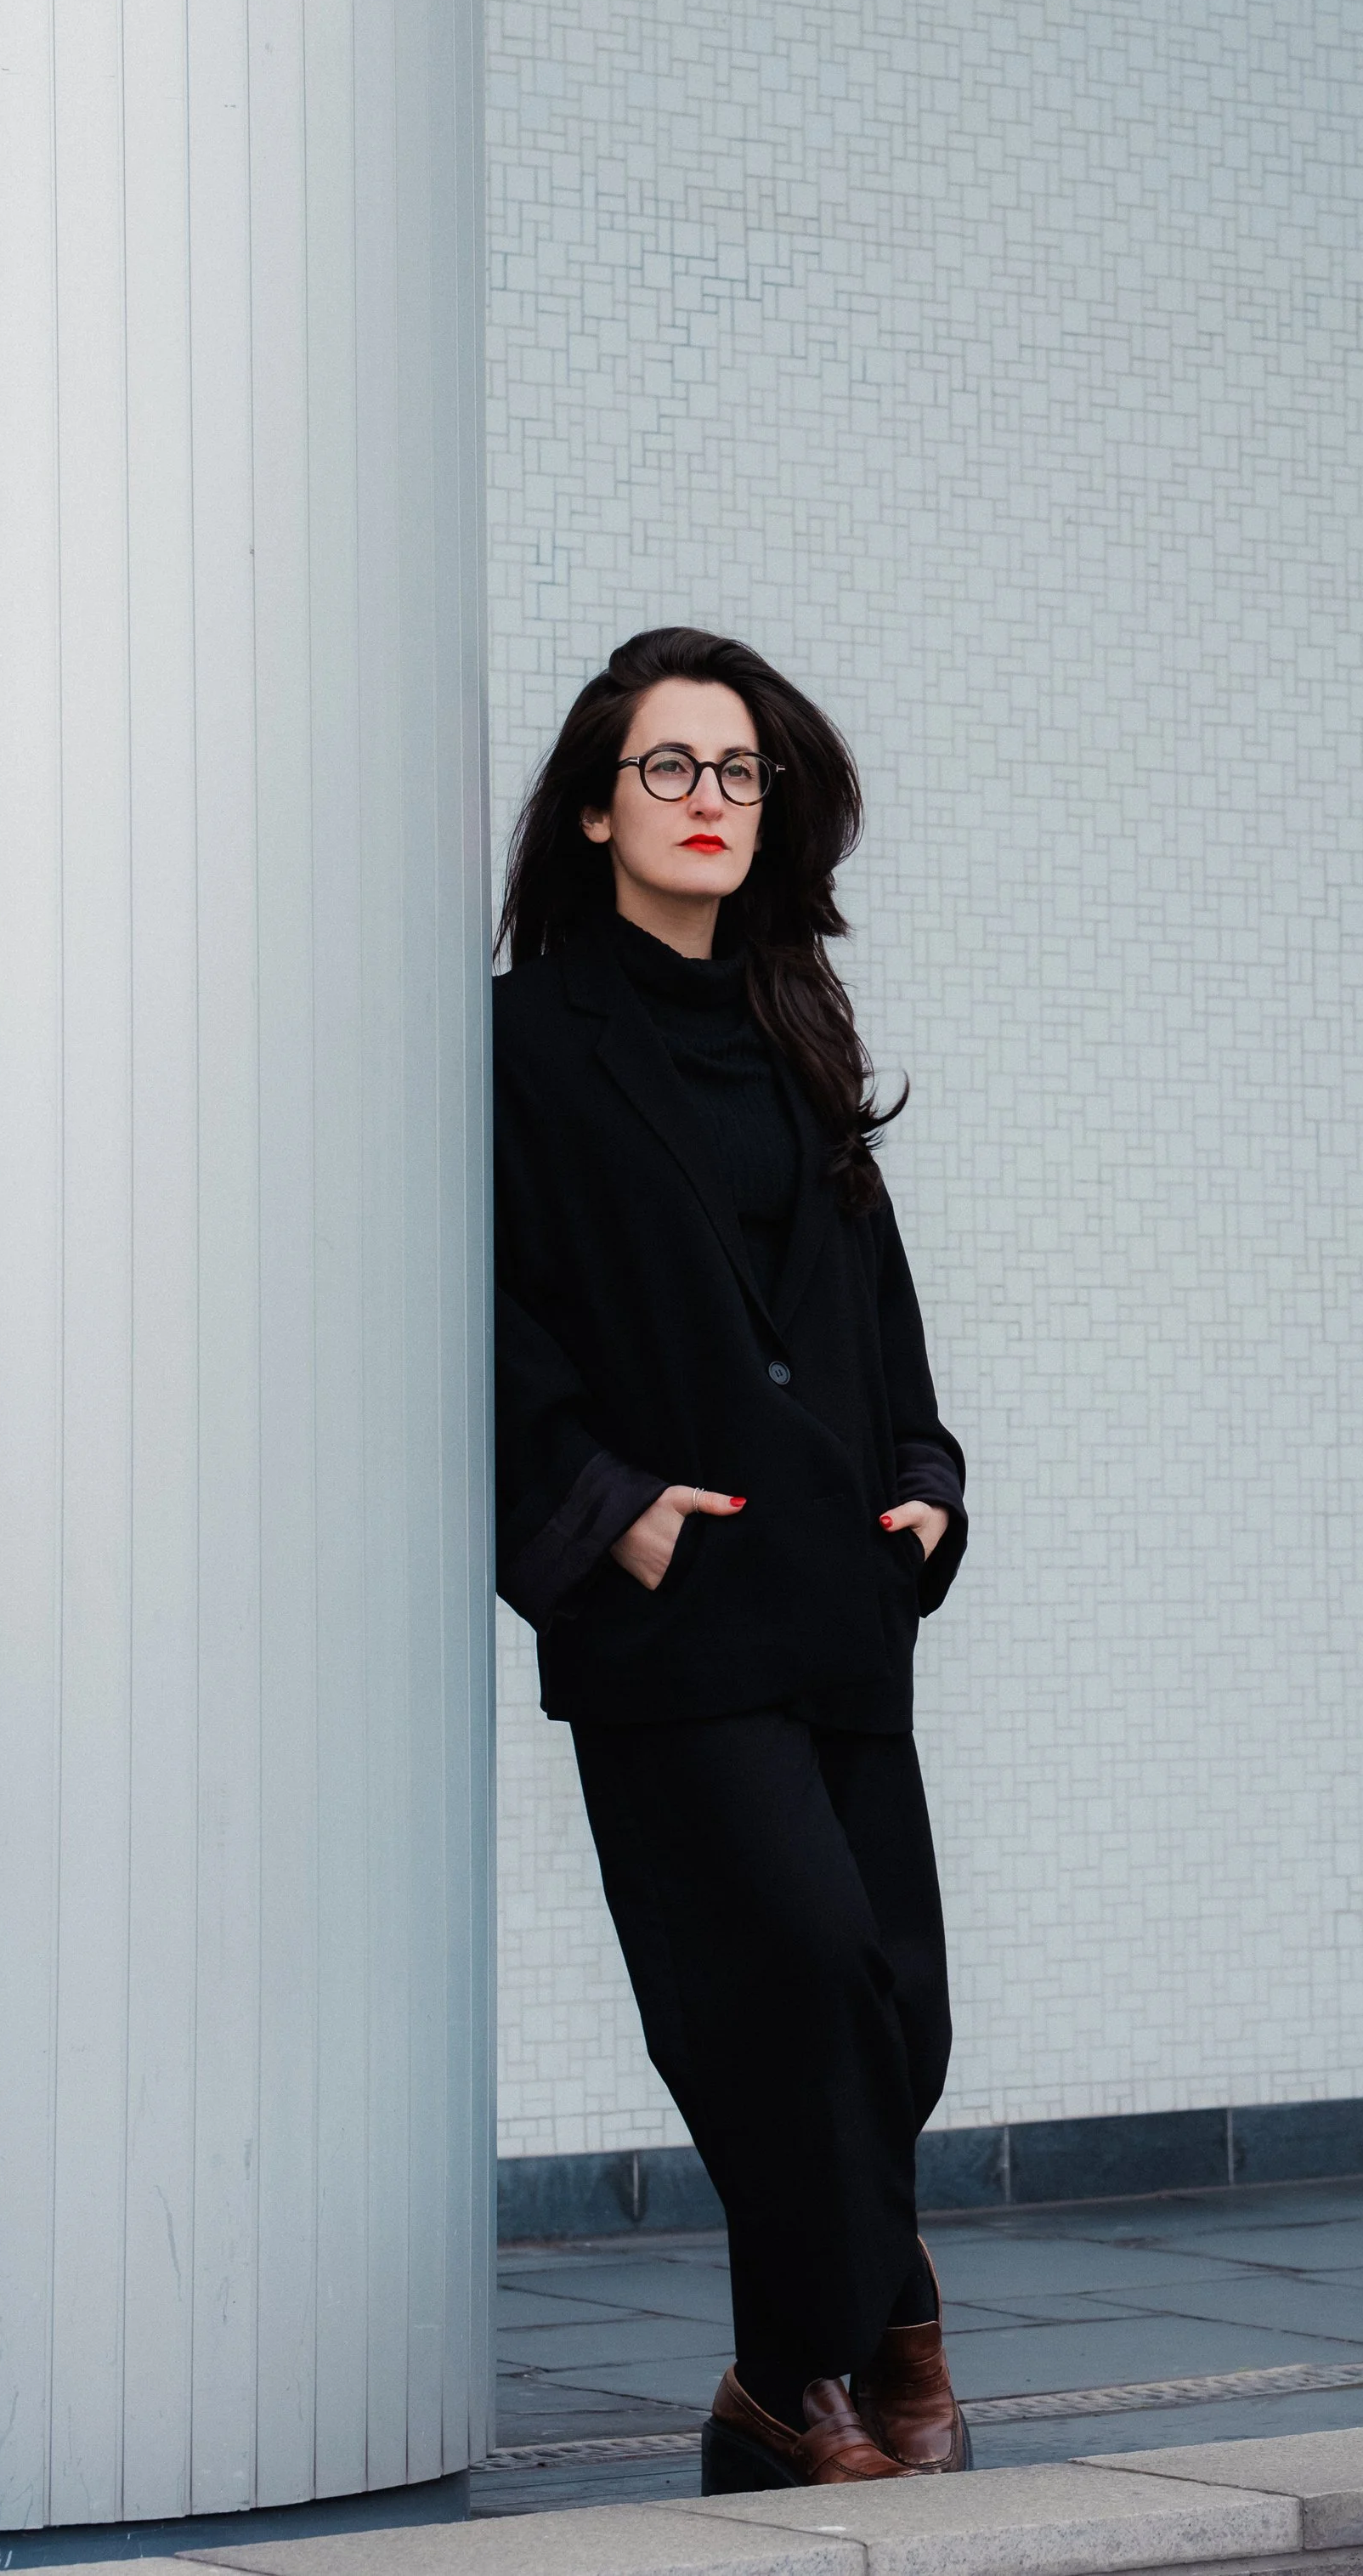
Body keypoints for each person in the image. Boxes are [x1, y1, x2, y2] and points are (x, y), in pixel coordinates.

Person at [493, 626, 972, 2492]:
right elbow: (478, 1309)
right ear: (597, 805)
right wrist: (602, 1509)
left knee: (888, 1998)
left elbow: (873, 1298)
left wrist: (927, 1477)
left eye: (738, 773)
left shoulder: (793, 1025)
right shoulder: (527, 1040)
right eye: (670, 769)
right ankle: (856, 2342)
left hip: (838, 1597)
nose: (709, 802)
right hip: (675, 1603)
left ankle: (796, 2388)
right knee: (781, 1967)